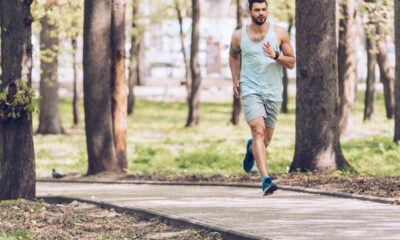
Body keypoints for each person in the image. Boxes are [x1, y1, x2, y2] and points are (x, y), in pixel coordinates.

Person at [229, 0, 296, 195]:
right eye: (257, 10)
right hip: (250, 89)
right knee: (257, 130)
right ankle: (266, 179)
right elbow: (233, 56)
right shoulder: (238, 36)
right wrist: (235, 79)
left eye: (264, 9)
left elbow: (291, 62)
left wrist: (276, 55)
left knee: (265, 141)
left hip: (273, 92)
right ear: (250, 11)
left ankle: (251, 149)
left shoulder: (279, 32)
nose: (261, 13)